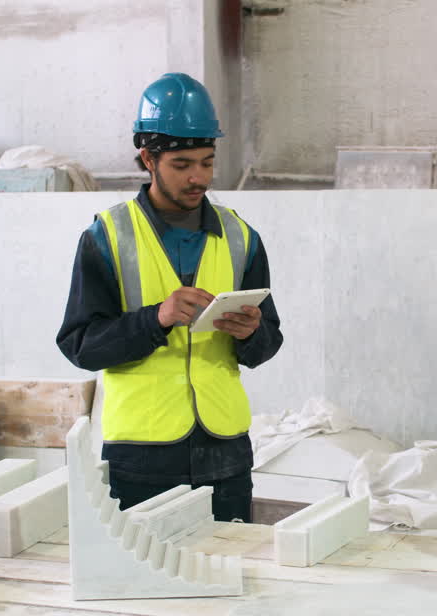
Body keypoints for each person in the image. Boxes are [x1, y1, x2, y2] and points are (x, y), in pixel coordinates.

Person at [57, 72, 283, 522]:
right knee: (147, 584)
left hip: (226, 455)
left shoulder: (241, 238)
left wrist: (251, 333)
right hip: (142, 459)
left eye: (207, 161)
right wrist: (155, 319)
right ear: (148, 159)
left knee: (232, 578)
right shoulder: (107, 238)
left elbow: (268, 343)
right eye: (182, 165)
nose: (198, 176)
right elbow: (80, 345)